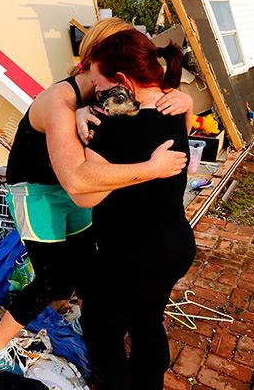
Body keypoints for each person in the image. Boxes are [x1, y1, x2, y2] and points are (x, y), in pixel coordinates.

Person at [0, 18, 192, 375]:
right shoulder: (61, 99)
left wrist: (184, 97)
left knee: (89, 269)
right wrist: (152, 168)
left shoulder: (108, 93)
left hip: (78, 183)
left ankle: (95, 322)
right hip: (39, 190)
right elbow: (76, 181)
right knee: (54, 279)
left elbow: (148, 110)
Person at [71, 29, 197, 389]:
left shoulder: (112, 127)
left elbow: (85, 193)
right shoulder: (174, 107)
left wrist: (81, 118)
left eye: (98, 84)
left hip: (134, 258)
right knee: (147, 321)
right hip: (175, 244)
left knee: (101, 333)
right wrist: (84, 108)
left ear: (122, 81)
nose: (96, 91)